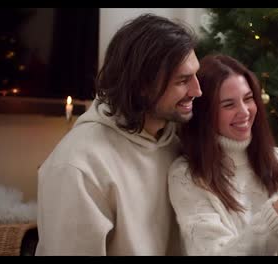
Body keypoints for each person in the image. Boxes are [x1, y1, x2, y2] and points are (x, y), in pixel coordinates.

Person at [36, 13, 202, 255]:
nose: (197, 90)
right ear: (142, 85)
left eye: (195, 75)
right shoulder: (77, 167)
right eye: (183, 80)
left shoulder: (175, 145)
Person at [168, 54, 278, 255]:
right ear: (205, 114)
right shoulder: (186, 175)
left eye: (248, 98)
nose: (244, 112)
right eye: (229, 105)